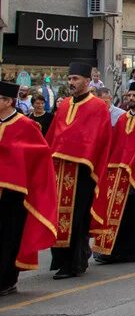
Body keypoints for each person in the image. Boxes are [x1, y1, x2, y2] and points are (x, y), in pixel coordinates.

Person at [46, 61, 113, 279]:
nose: (71, 83)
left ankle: (74, 263)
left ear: (87, 80)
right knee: (58, 217)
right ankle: (61, 259)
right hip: (60, 170)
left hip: (83, 172)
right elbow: (55, 134)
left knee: (77, 219)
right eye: (69, 79)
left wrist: (83, 158)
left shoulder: (97, 106)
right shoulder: (64, 104)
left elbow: (98, 139)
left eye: (75, 79)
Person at [92, 81, 135, 264]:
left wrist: (132, 171)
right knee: (112, 213)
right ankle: (110, 250)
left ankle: (133, 252)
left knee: (132, 215)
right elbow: (115, 145)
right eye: (129, 96)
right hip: (116, 174)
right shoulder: (122, 119)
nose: (131, 99)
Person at [0, 81, 58, 296]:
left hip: (14, 194)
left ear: (8, 101)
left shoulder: (26, 125)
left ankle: (6, 280)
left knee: (9, 237)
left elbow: (39, 156)